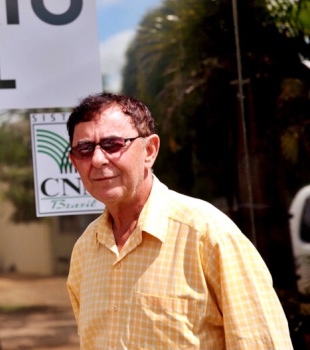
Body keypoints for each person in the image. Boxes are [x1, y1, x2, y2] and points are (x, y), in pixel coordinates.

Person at [65, 92, 292, 349]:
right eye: (85, 149)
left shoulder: (207, 234)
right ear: (74, 162)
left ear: (149, 151)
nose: (97, 159)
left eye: (113, 144)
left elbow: (262, 343)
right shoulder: (85, 250)